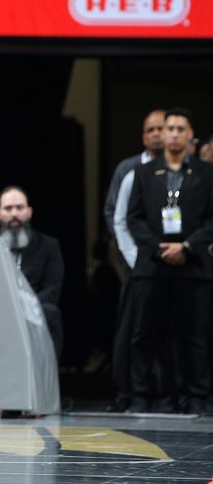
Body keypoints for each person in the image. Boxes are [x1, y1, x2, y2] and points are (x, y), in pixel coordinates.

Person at [127, 107, 213, 415]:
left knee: (194, 335)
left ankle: (197, 396)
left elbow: (210, 220)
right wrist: (158, 248)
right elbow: (133, 218)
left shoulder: (206, 173)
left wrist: (187, 247)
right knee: (146, 334)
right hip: (152, 265)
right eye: (170, 128)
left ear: (190, 135)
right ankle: (143, 396)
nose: (174, 133)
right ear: (162, 134)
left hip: (193, 267)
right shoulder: (144, 173)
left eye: (180, 129)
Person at [106, 109, 164, 412]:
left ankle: (170, 393)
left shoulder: (183, 170)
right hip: (135, 263)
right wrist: (131, 260)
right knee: (133, 329)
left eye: (161, 128)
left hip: (174, 264)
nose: (157, 134)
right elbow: (115, 216)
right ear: (144, 136)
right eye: (151, 129)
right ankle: (128, 393)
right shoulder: (129, 169)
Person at [0, 186, 64, 356]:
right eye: (8, 208)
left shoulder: (48, 245)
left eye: (19, 207)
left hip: (35, 309)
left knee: (51, 312)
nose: (14, 214)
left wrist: (23, 307)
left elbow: (52, 290)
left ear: (29, 212)